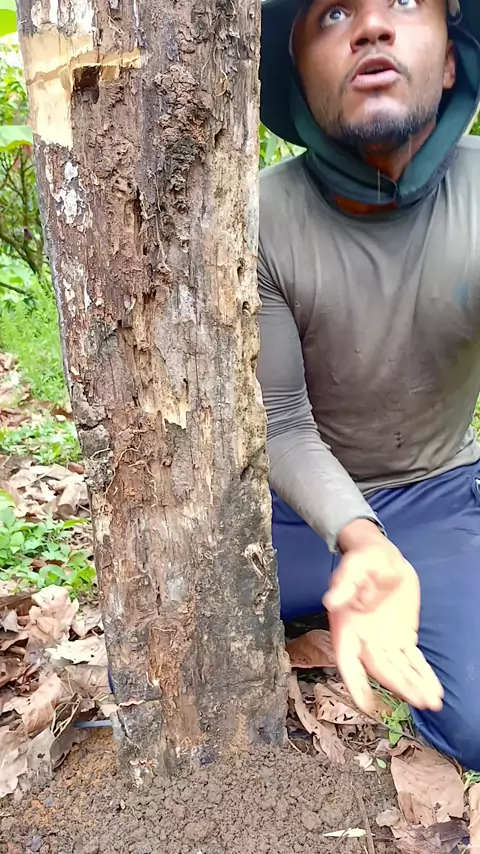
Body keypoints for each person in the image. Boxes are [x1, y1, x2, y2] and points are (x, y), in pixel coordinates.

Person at [258, 0, 480, 771]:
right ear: (296, 75)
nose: (373, 28)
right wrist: (359, 537)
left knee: (475, 719)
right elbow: (281, 422)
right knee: (170, 632)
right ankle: (345, 590)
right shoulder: (255, 217)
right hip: (286, 514)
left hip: (434, 495)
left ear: (449, 61)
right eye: (333, 14)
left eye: (406, 2)